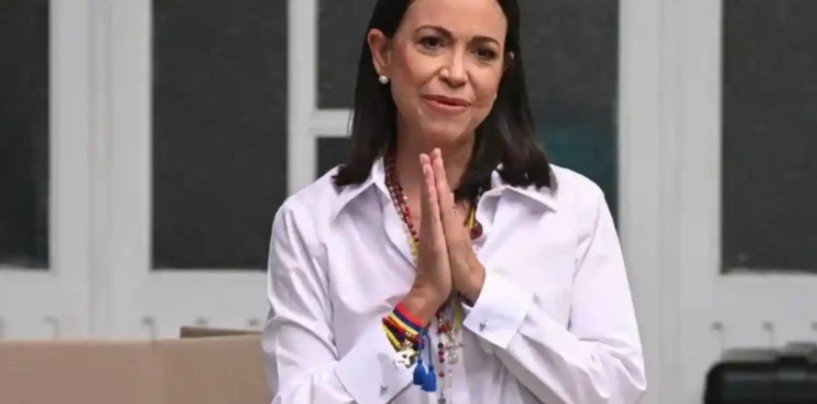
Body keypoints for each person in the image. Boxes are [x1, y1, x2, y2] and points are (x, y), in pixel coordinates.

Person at [262, 0, 646, 402]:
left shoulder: (571, 207)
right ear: (383, 52)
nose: (456, 73)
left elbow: (615, 390)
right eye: (432, 42)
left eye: (483, 53)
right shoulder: (312, 221)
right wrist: (416, 306)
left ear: (502, 73)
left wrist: (483, 289)